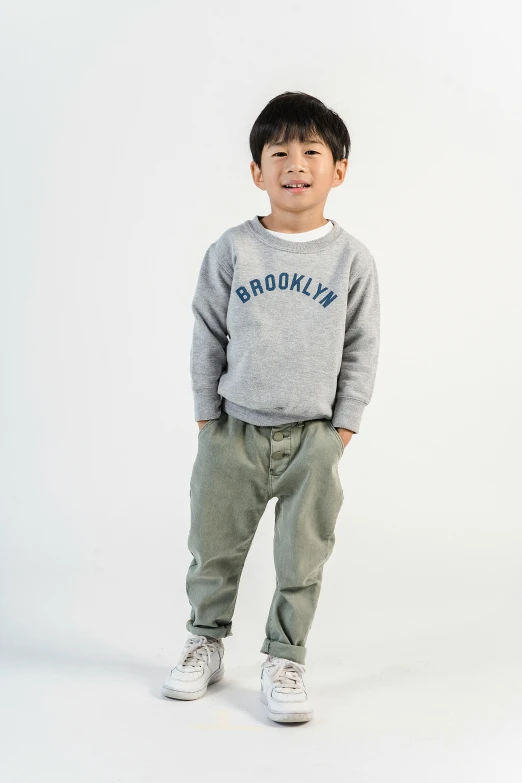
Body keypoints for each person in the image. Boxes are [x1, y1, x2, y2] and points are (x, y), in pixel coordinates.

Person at [162, 91, 381, 723]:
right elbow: (207, 330)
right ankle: (204, 639)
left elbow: (363, 344)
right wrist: (208, 416)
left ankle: (286, 656)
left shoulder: (351, 260)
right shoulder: (233, 250)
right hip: (234, 431)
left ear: (339, 169)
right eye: (278, 150)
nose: (296, 162)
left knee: (303, 554)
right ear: (257, 171)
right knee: (212, 545)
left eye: (313, 150)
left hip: (313, 437)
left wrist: (342, 426)